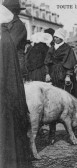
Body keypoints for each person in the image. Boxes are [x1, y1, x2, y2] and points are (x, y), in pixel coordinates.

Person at [0, 3, 32, 168]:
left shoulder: (18, 25)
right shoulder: (6, 25)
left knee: (13, 104)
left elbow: (9, 45)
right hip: (7, 65)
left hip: (14, 67)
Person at [44, 28, 77, 94]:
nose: (55, 39)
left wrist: (68, 76)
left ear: (62, 38)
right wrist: (47, 74)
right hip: (52, 73)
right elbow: (47, 62)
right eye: (54, 37)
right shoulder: (51, 48)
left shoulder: (68, 48)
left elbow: (70, 63)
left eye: (57, 37)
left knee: (63, 92)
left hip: (63, 73)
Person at [3, 0, 28, 81]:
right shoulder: (6, 23)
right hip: (8, 61)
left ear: (11, 11)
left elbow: (10, 44)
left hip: (15, 64)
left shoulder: (18, 25)